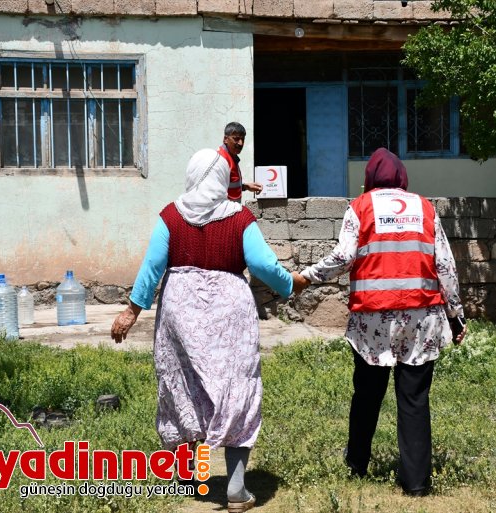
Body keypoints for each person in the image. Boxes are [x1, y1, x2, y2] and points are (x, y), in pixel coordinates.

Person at [111, 148, 306, 512]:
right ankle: (235, 490)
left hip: (179, 311)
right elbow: (263, 264)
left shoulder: (171, 215)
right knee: (236, 388)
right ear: (220, 180)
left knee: (181, 386)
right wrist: (289, 284)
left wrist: (131, 311)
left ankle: (186, 477)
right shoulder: (240, 218)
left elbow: (152, 266)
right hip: (229, 312)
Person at [296, 147, 467, 496]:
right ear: (403, 177)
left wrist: (307, 277)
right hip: (422, 318)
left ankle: (357, 463)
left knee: (367, 394)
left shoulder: (360, 207)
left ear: (370, 178)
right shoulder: (425, 208)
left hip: (373, 322)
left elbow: (344, 257)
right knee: (415, 398)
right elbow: (446, 266)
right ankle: (417, 484)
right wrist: (456, 317)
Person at [217, 122, 263, 201]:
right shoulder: (220, 160)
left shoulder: (232, 157)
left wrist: (245, 187)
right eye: (236, 139)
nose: (241, 143)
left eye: (243, 139)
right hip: (226, 211)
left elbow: (228, 185)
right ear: (225, 139)